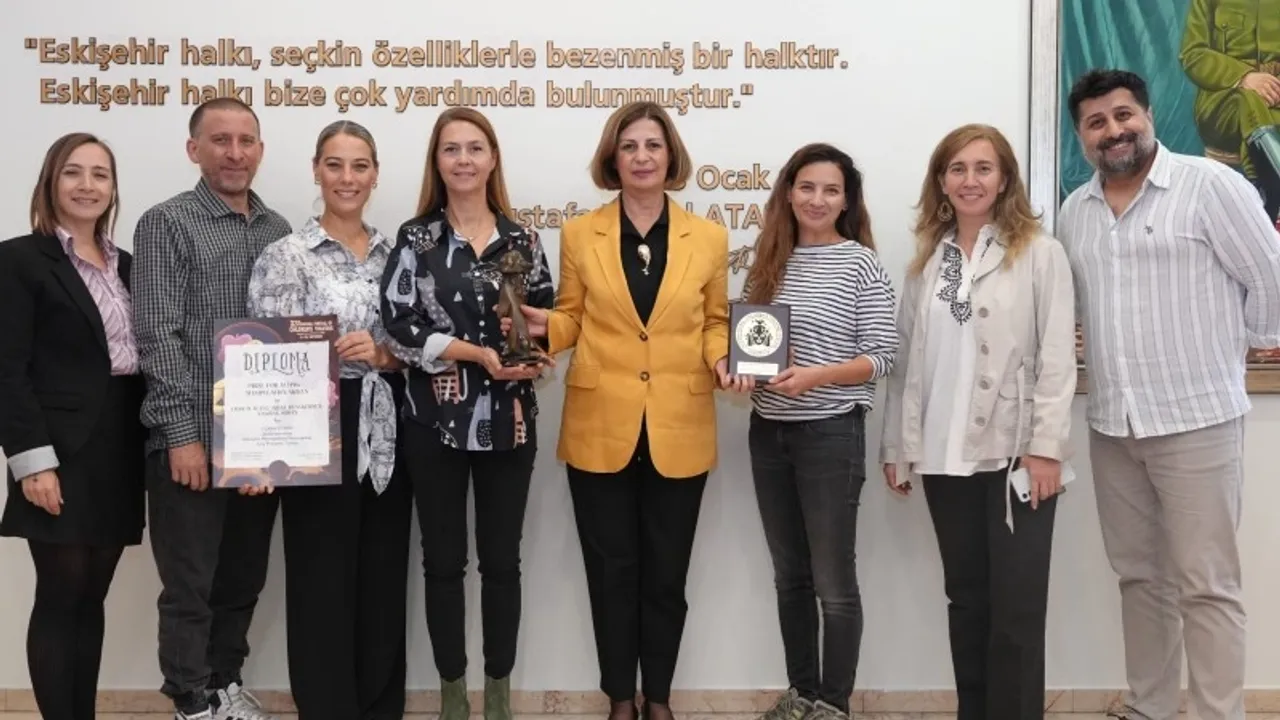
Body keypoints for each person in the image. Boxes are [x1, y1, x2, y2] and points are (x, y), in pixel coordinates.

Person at [1060, 69, 1280, 720]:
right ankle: (1150, 707)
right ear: (1082, 137)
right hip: (1113, 427)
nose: (1114, 130)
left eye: (1123, 114)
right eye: (1096, 122)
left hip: (1197, 422)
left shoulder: (1210, 186)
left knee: (1207, 586)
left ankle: (1217, 713)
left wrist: (1252, 346)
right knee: (1139, 579)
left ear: (1148, 115)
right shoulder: (1076, 212)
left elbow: (1269, 278)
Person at [505, 100, 730, 720]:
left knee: (666, 579)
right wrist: (541, 328)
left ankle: (659, 698)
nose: (641, 157)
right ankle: (619, 700)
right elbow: (573, 317)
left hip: (679, 428)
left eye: (653, 145)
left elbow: (715, 321)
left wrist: (721, 360)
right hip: (599, 426)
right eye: (629, 146)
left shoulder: (710, 237)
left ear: (671, 156)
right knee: (611, 575)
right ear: (613, 158)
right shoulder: (582, 233)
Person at [879, 124, 1076, 720]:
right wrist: (897, 446)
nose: (970, 180)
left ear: (1004, 178)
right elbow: (905, 364)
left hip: (1015, 455)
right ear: (941, 181)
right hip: (942, 455)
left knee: (1017, 609)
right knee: (966, 602)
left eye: (983, 168)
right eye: (957, 169)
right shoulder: (925, 263)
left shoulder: (1039, 252)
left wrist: (1046, 448)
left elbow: (1057, 358)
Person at [379, 107, 554, 720]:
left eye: (475, 148)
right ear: (438, 161)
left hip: (511, 422)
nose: (463, 159)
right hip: (434, 424)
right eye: (451, 149)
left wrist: (535, 358)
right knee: (443, 564)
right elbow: (398, 325)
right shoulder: (416, 239)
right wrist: (474, 353)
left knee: (503, 563)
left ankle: (498, 695)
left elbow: (546, 320)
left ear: (492, 158)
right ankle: (453, 695)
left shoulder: (524, 241)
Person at [244, 120, 412, 719]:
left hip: (388, 431)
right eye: (335, 165)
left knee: (383, 578)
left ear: (375, 174)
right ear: (316, 170)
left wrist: (386, 354)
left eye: (360, 165)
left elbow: (421, 345)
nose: (347, 178)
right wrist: (261, 455)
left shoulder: (399, 255)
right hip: (313, 430)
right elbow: (263, 359)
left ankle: (379, 707)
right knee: (321, 582)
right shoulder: (285, 256)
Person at [132, 97, 292, 720]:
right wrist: (181, 435)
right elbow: (156, 334)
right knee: (190, 585)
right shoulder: (165, 223)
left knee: (242, 579)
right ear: (193, 148)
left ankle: (226, 684)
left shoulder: (279, 230)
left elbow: (287, 337)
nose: (234, 152)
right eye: (220, 140)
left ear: (261, 150)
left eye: (246, 140)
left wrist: (277, 444)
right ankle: (190, 699)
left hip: (258, 443)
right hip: (192, 437)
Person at [727, 143, 897, 720]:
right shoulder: (768, 260)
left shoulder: (861, 263)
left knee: (834, 583)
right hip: (768, 433)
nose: (817, 199)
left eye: (831, 190)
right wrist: (736, 371)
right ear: (788, 192)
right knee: (790, 578)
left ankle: (834, 704)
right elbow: (751, 343)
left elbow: (882, 356)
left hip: (831, 434)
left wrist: (817, 376)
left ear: (847, 201)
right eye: (806, 187)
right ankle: (801, 695)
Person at [0, 132, 146, 720]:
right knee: (61, 596)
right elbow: (7, 369)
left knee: (93, 596)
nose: (87, 185)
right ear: (50, 182)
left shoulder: (128, 265)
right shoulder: (18, 260)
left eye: (99, 175)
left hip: (120, 443)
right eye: (73, 172)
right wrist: (32, 461)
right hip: (57, 450)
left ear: (113, 188)